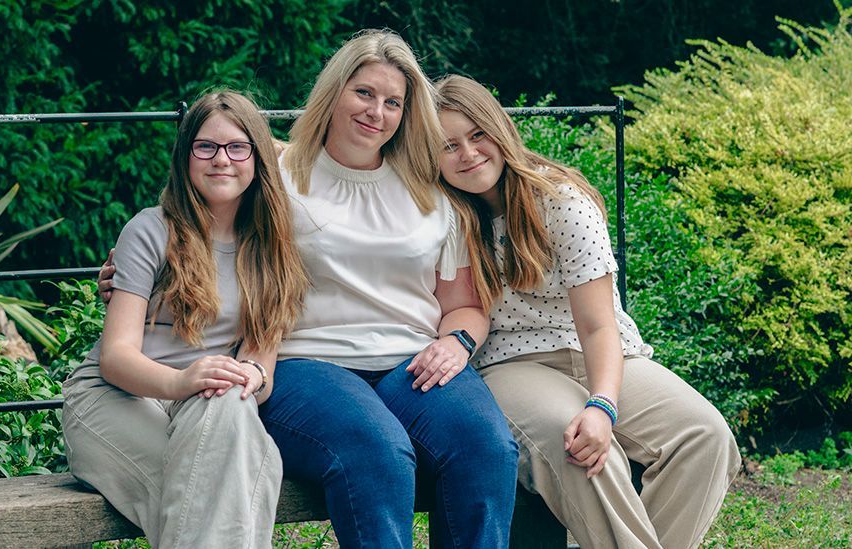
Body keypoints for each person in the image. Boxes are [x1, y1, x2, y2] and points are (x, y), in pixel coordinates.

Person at [100, 31, 519, 549]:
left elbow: (464, 306)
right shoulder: (275, 174)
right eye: (364, 93)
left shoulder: (431, 194)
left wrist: (455, 343)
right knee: (377, 450)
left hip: (410, 361)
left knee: (487, 447)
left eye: (393, 102)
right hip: (302, 361)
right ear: (334, 90)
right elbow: (196, 216)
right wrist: (140, 279)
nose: (377, 112)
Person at [433, 74, 741, 549]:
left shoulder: (560, 201)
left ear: (499, 129)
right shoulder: (441, 216)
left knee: (704, 436)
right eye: (448, 145)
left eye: (477, 135)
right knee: (574, 442)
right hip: (512, 364)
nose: (468, 153)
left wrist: (602, 404)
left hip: (596, 347)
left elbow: (598, 326)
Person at [63, 91, 308, 548]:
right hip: (116, 398)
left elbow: (261, 368)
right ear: (185, 156)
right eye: (205, 146)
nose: (222, 160)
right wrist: (183, 381)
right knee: (231, 486)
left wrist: (246, 376)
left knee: (231, 420)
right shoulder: (151, 230)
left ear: (257, 157)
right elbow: (116, 358)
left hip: (208, 406)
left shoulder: (271, 248)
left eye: (238, 147)